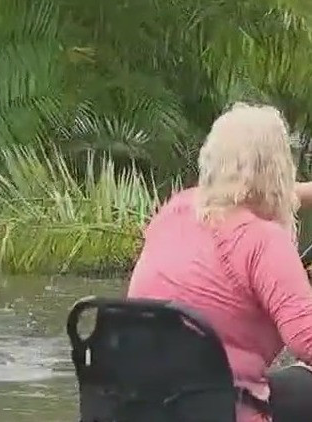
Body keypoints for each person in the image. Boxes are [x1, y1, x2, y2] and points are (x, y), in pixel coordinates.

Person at [127, 102, 312, 422]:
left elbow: (248, 193)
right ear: (277, 169)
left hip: (147, 406)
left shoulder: (176, 209)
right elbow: (307, 340)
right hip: (226, 410)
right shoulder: (263, 240)